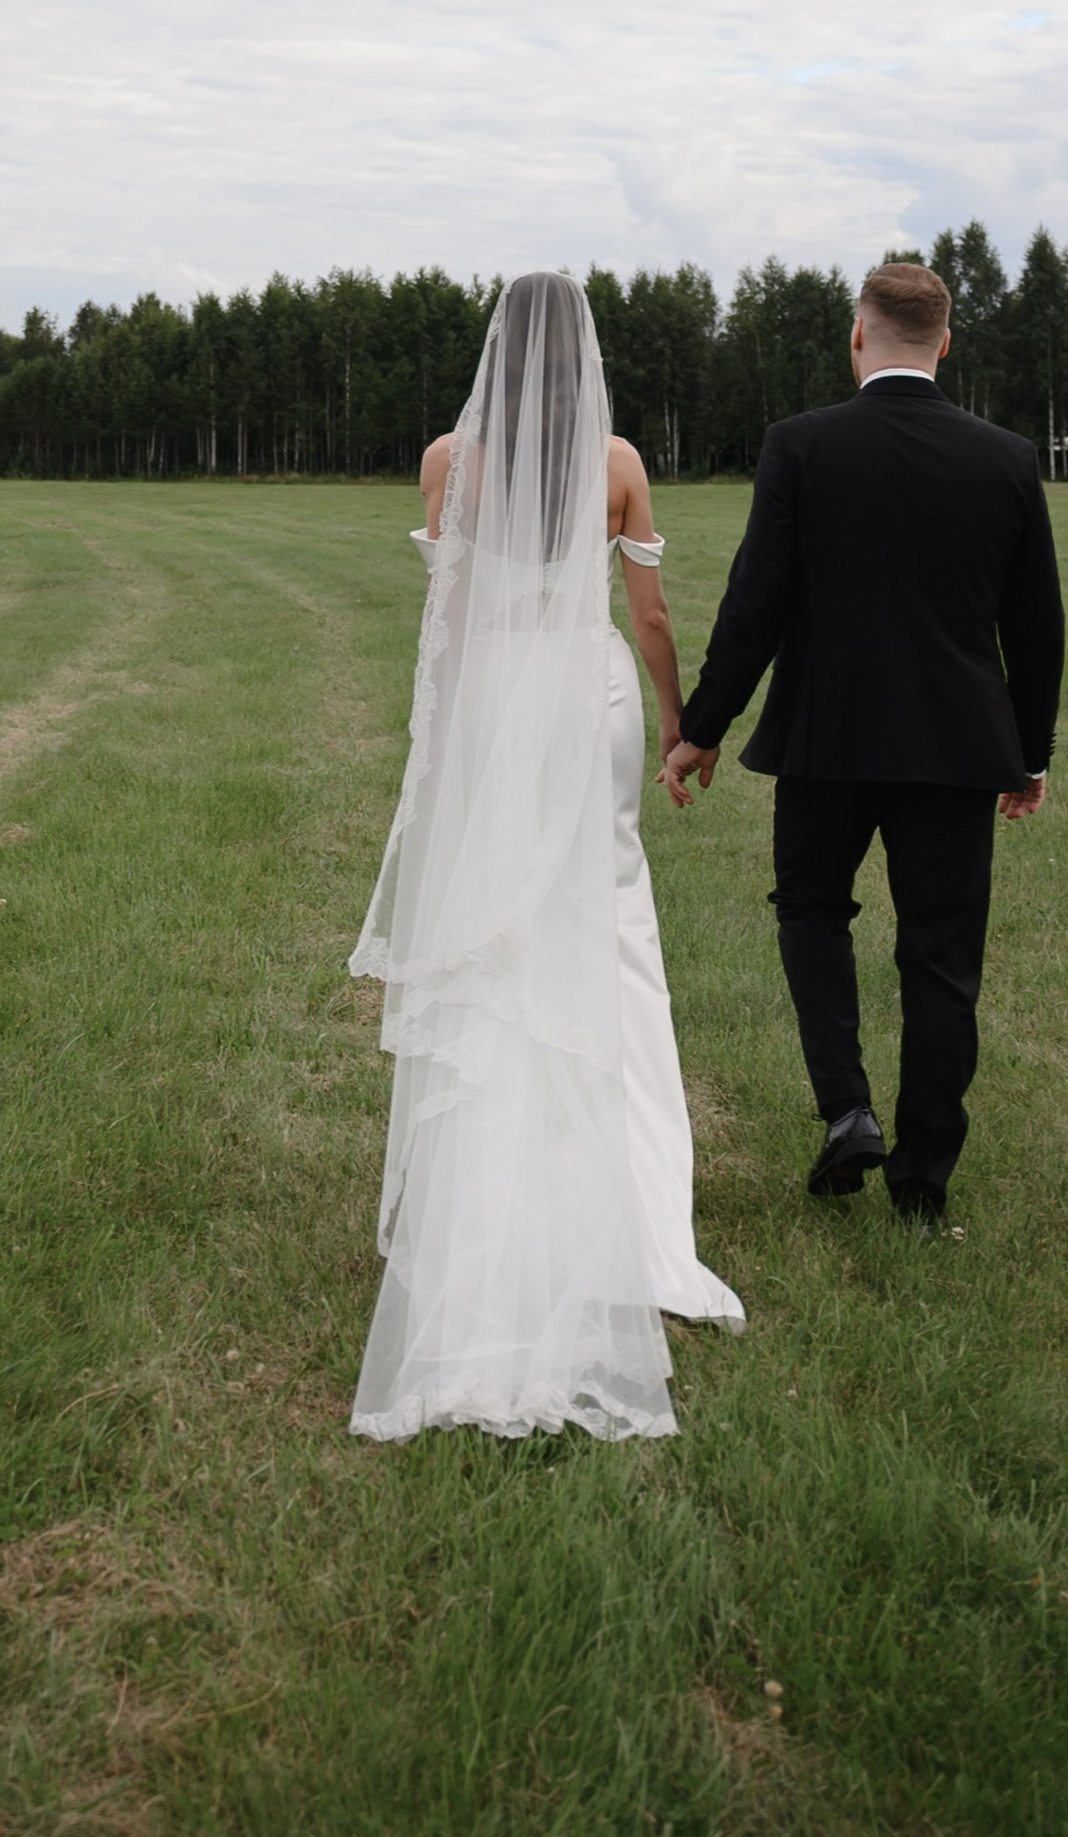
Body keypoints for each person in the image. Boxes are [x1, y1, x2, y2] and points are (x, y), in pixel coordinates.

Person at [350, 270, 743, 1445]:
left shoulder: (447, 462)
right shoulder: (616, 463)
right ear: (581, 360)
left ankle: (486, 1206)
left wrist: (455, 738)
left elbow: (450, 615)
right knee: (608, 920)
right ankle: (635, 1220)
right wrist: (675, 723)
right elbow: (650, 615)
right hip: (586, 693)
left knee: (496, 924)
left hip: (497, 696)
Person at [663, 260, 1064, 1226]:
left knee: (811, 912)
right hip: (958, 749)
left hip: (826, 739)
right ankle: (922, 1185)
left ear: (857, 336)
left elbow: (754, 603)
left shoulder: (801, 445)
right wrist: (1030, 754)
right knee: (941, 958)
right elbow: (1037, 624)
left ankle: (848, 1111)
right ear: (945, 342)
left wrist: (702, 729)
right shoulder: (1006, 457)